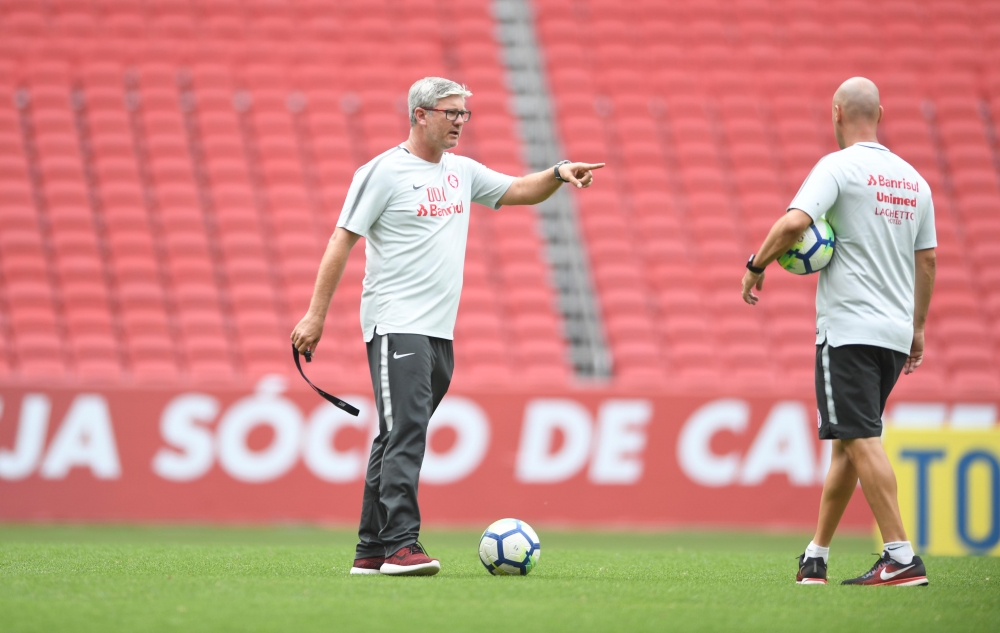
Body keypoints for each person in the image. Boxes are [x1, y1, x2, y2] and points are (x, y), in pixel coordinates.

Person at [290, 77, 604, 576]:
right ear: (420, 114)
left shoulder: (461, 171)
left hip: (439, 332)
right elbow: (340, 240)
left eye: (465, 115)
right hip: (397, 324)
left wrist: (559, 171)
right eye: (451, 112)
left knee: (394, 435)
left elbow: (520, 189)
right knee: (407, 432)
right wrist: (315, 314)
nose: (460, 122)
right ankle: (400, 546)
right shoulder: (382, 172)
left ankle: (370, 551)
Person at [740, 77, 936, 586]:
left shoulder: (838, 167)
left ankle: (900, 556)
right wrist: (917, 329)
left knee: (861, 438)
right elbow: (929, 260)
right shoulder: (915, 181)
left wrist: (756, 263)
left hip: (849, 327)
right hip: (894, 333)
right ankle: (817, 556)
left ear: (836, 113)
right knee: (848, 445)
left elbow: (793, 224)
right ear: (881, 113)